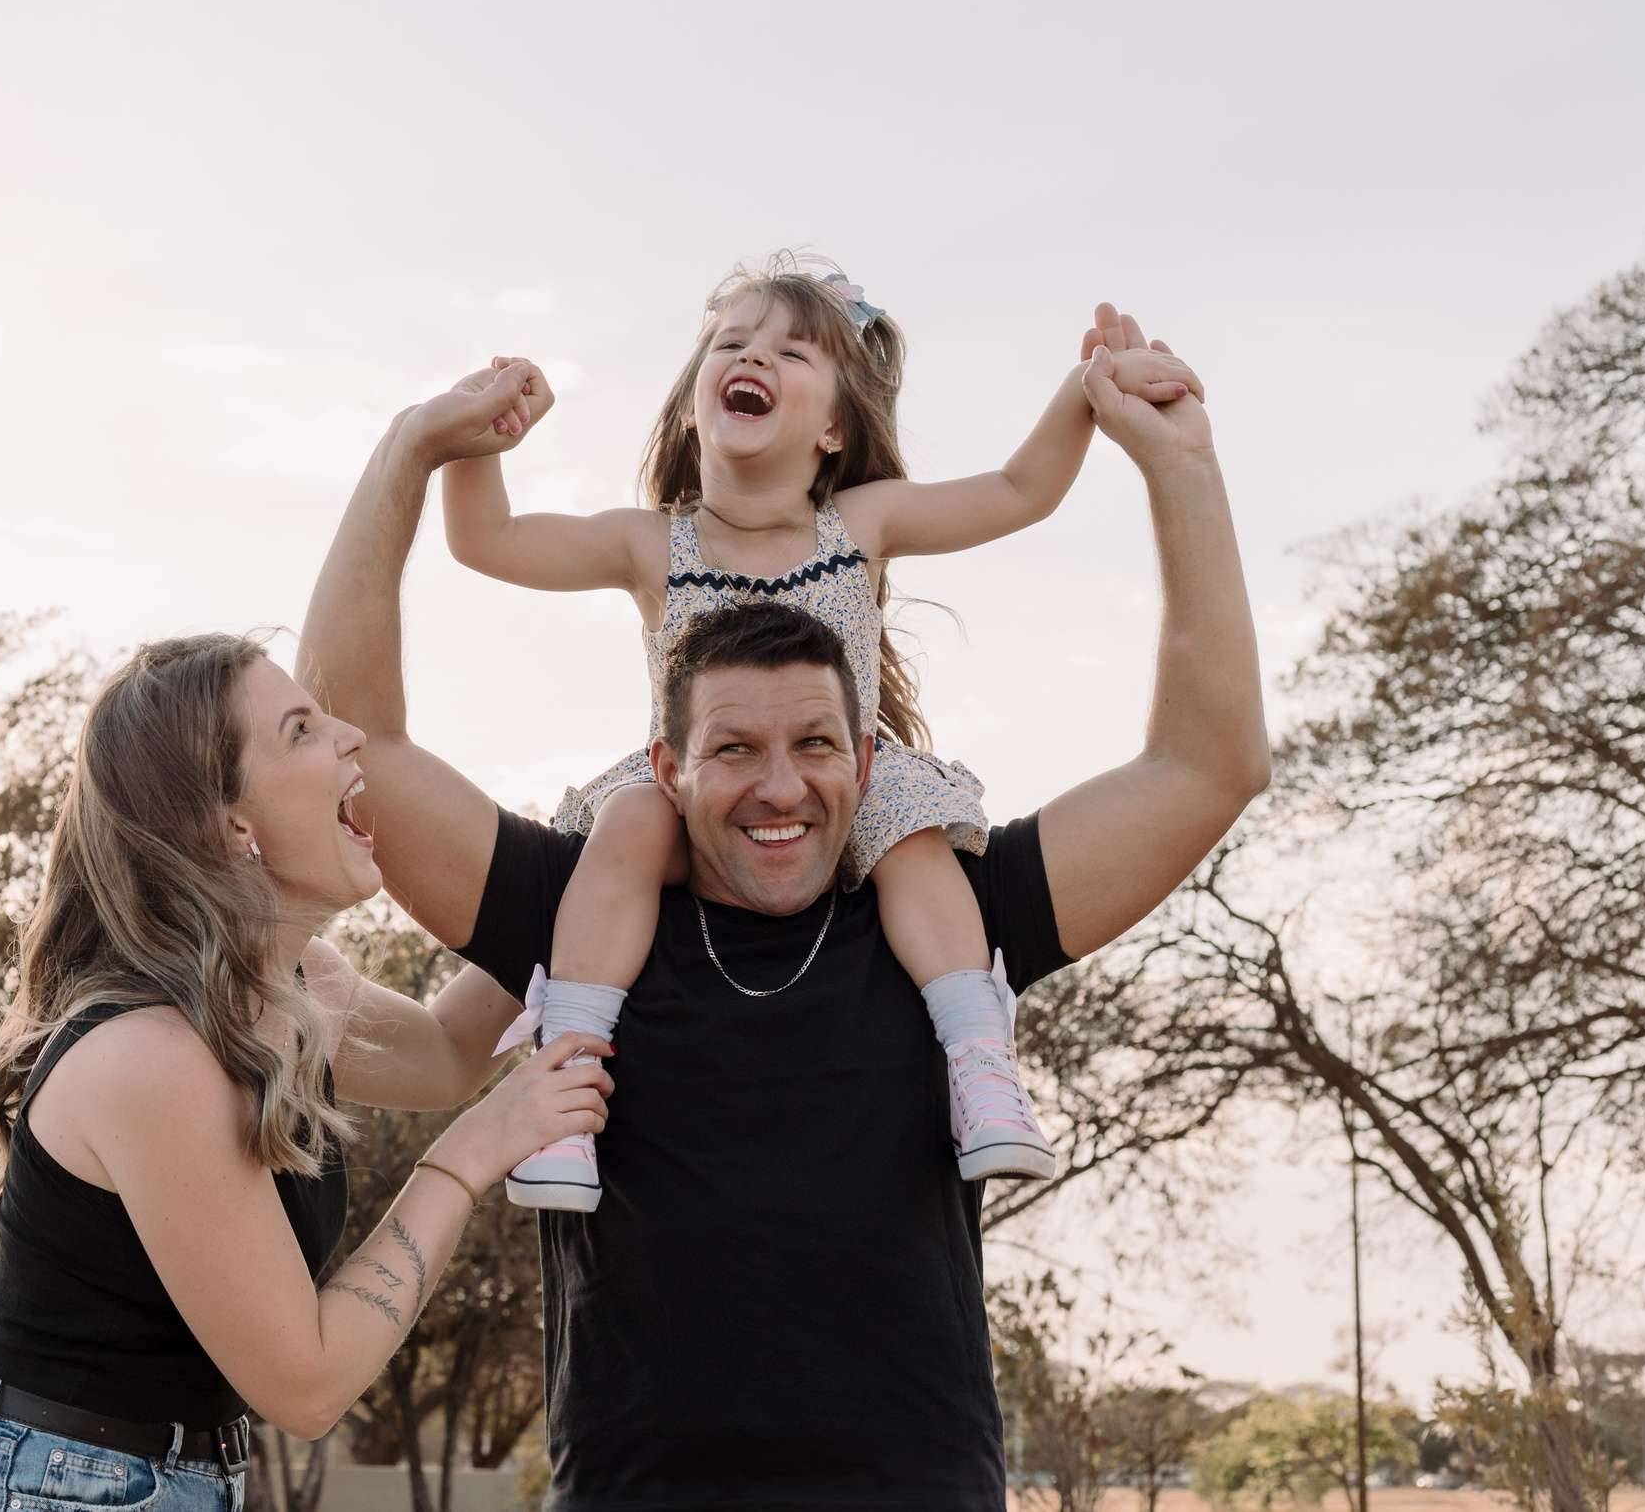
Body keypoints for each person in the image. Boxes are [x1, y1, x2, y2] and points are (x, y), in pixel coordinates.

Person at [295, 304, 1270, 1510]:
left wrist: (1178, 467)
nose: (777, 786)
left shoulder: (942, 907)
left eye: (815, 744)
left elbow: (1206, 765)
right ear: (665, 765)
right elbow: (356, 745)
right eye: (734, 748)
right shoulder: (586, 907)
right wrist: (408, 452)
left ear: (866, 759)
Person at [439, 256, 1201, 1208]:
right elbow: (485, 540)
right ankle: (566, 1077)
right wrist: (476, 437)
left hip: (849, 787)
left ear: (835, 426)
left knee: (908, 825)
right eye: (731, 343)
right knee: (631, 818)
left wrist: (1085, 394)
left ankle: (980, 1061)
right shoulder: (650, 542)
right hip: (702, 799)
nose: (753, 355)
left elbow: (1018, 488)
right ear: (692, 407)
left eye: (791, 350)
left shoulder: (859, 524)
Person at [0, 634, 614, 1512]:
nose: (352, 736)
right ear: (231, 823)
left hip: (151, 1482)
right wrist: (474, 1151)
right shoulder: (153, 1056)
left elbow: (444, 1053)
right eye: (302, 730)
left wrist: (585, 871)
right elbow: (307, 1383)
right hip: (50, 1485)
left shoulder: (298, 984)